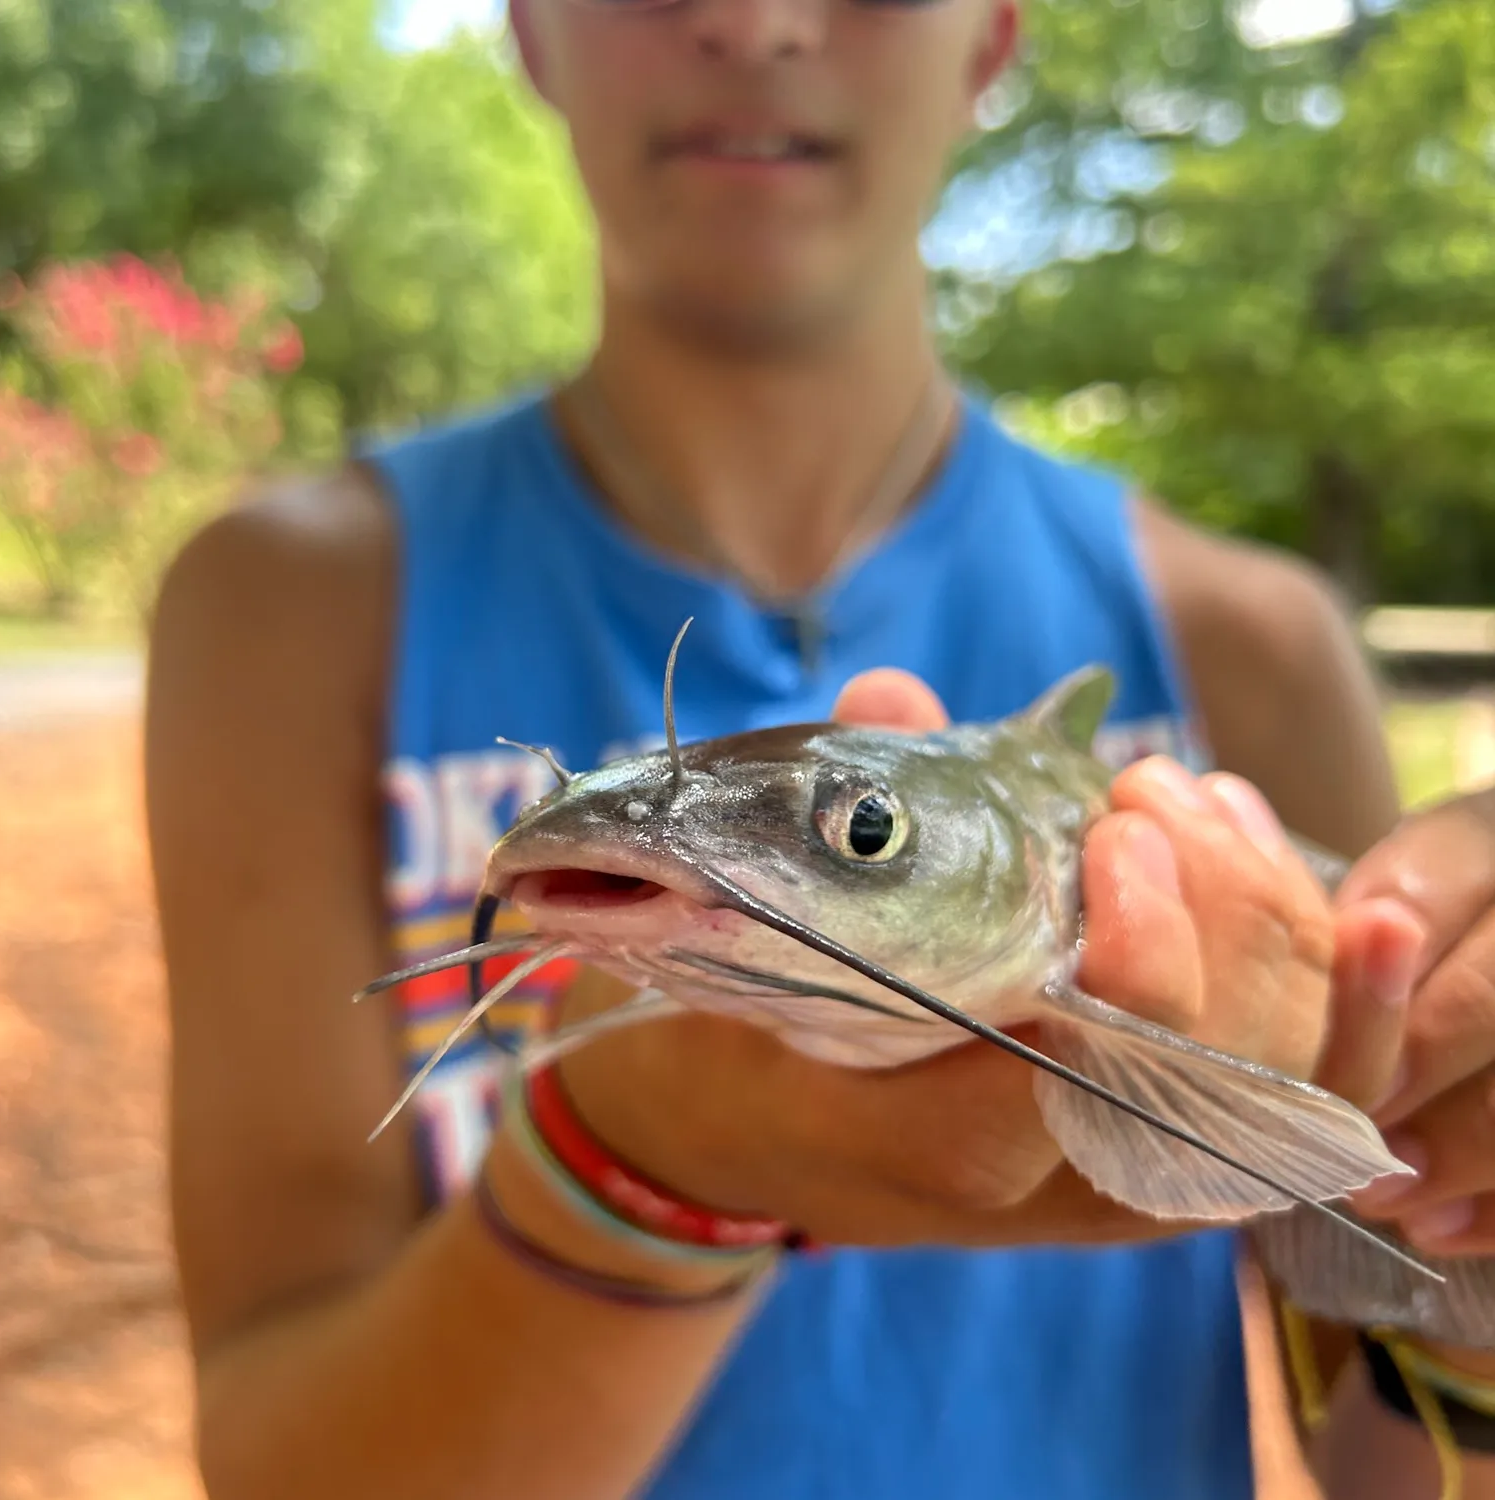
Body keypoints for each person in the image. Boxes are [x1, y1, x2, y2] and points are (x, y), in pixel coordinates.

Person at [141, 0, 1495, 1493]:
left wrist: (1466, 1241)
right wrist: (639, 1171)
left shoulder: (1257, 644)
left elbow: (1387, 1457)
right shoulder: (283, 617)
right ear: (531, 30)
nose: (754, 18)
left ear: (990, 40)